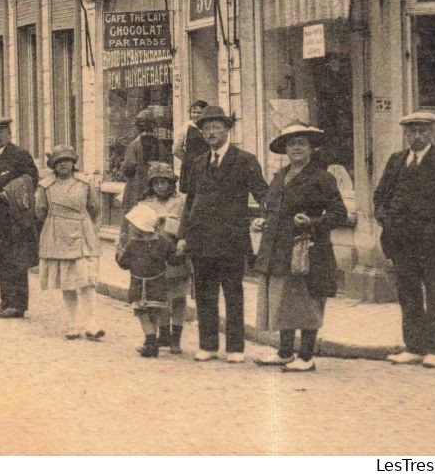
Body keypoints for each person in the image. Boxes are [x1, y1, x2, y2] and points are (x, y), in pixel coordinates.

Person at [373, 109, 435, 369]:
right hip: (400, 240)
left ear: (431, 132)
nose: (417, 136)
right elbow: (380, 194)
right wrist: (383, 216)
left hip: (432, 240)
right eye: (411, 131)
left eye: (422, 131)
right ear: (405, 134)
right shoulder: (396, 160)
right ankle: (414, 347)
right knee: (408, 293)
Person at [252, 124, 348, 372]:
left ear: (311, 148)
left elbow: (339, 214)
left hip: (308, 250)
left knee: (307, 302)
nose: (296, 147)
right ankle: (284, 352)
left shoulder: (322, 178)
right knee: (284, 300)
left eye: (302, 143)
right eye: (291, 143)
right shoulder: (279, 177)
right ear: (285, 149)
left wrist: (314, 222)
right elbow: (269, 206)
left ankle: (306, 357)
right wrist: (262, 219)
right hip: (278, 250)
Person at [179, 104, 268, 362]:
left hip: (231, 239)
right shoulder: (197, 163)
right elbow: (190, 200)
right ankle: (207, 345)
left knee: (233, 292)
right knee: (205, 294)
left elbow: (263, 194)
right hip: (201, 238)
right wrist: (184, 234)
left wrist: (266, 217)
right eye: (206, 128)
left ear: (227, 130)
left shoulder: (245, 160)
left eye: (216, 127)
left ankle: (235, 348)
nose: (211, 133)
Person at [117, 161, 187, 357]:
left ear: (172, 183)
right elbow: (134, 227)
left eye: (164, 182)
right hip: (153, 257)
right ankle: (162, 335)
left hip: (176, 251)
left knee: (178, 297)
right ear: (151, 184)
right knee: (159, 298)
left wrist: (180, 238)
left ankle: (176, 338)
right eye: (156, 183)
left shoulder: (182, 202)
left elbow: (188, 224)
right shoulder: (145, 203)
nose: (160, 186)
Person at [35, 145, 105, 341]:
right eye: (58, 162)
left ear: (73, 163)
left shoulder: (84, 183)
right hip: (57, 235)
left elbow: (95, 207)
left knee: (87, 281)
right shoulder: (46, 186)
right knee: (68, 281)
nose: (63, 165)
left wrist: (88, 226)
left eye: (67, 160)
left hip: (83, 234)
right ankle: (73, 323)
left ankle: (91, 324)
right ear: (53, 166)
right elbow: (39, 211)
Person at [0, 118, 39, 318]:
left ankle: (18, 305)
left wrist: (10, 192)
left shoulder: (19, 155)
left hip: (13, 219)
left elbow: (31, 179)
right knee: (1, 261)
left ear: (9, 133)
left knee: (16, 262)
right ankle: (5, 302)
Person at [120, 107, 170, 214]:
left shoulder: (134, 145)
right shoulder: (160, 145)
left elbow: (128, 169)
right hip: (156, 191)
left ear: (138, 127)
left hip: (136, 190)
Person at [174, 99, 212, 169]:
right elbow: (176, 149)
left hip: (207, 166)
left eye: (199, 113)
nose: (195, 115)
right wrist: (189, 161)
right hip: (191, 167)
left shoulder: (209, 127)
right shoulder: (186, 127)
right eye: (193, 112)